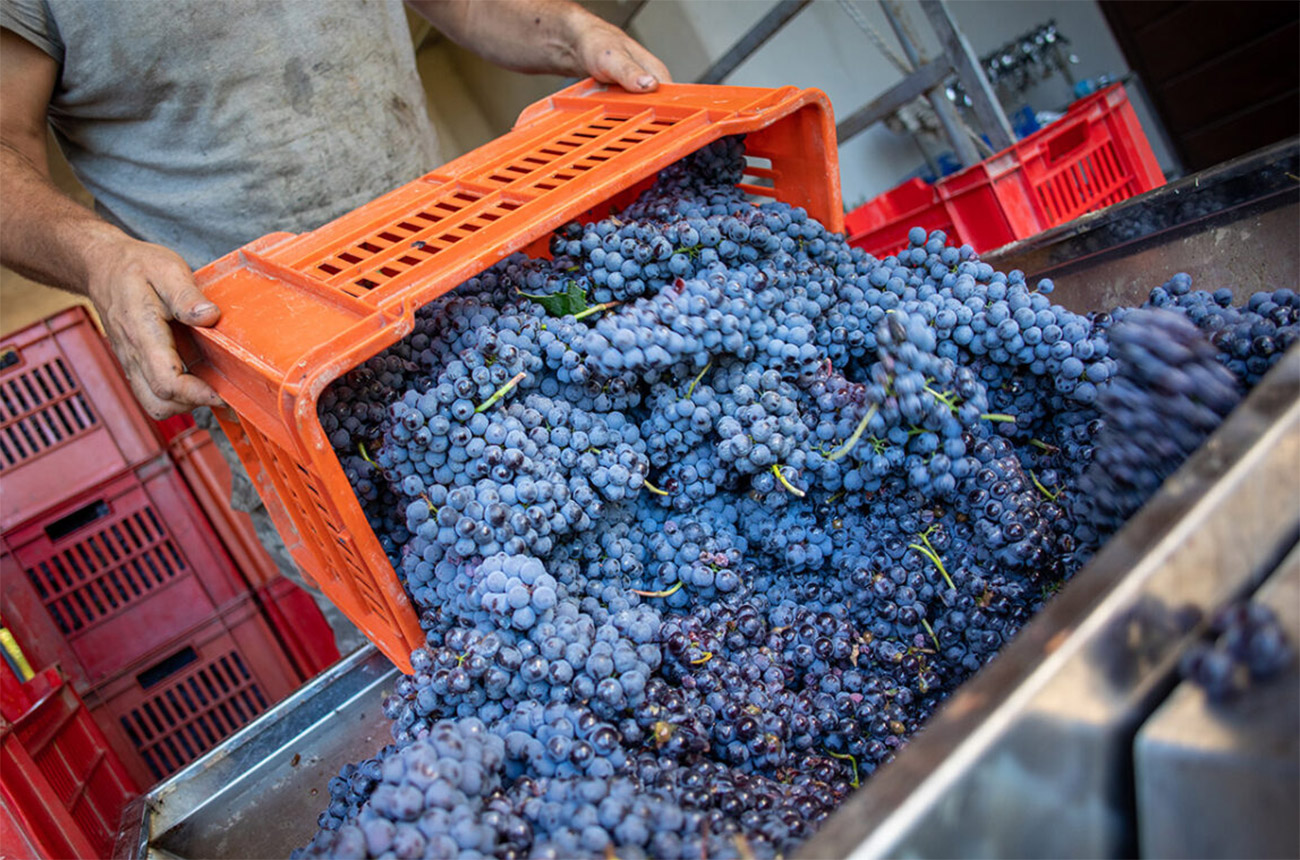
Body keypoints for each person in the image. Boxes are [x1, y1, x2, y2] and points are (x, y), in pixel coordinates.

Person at [1, 0, 670, 651]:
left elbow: (465, 7)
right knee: (429, 637)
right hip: (277, 377)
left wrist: (569, 30)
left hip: (456, 291)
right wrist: (99, 257)